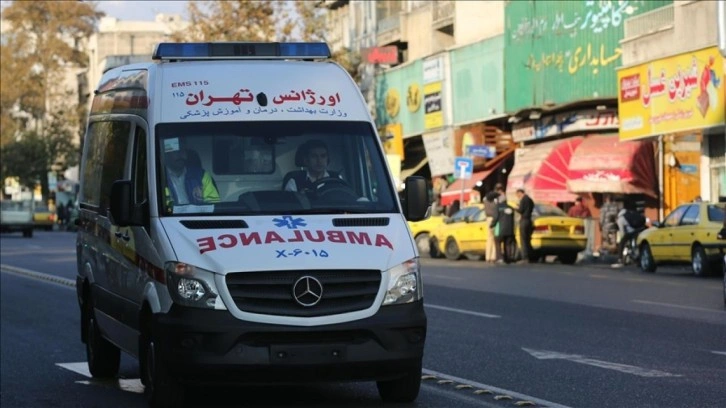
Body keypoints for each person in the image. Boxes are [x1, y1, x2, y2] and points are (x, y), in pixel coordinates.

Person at [612, 202, 647, 268]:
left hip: (633, 232)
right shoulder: (628, 213)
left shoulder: (620, 219)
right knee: (637, 245)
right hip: (641, 229)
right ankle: (639, 261)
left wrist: (624, 240)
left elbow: (622, 233)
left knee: (622, 243)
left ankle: (620, 259)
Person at [491, 198, 516, 264]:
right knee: (508, 244)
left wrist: (491, 225)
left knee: (498, 244)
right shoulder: (511, 208)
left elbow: (495, 217)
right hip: (510, 229)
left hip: (499, 229)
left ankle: (499, 258)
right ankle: (508, 258)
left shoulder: (497, 207)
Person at [515, 188, 534, 264]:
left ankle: (525, 258)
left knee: (523, 240)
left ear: (520, 193)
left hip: (524, 220)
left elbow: (521, 210)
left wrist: (516, 208)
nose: (518, 196)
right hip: (529, 220)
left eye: (517, 195)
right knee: (528, 239)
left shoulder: (523, 199)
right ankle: (531, 257)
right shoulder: (530, 199)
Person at [484, 192, 498, 264]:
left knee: (489, 238)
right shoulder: (494, 203)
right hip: (493, 219)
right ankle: (493, 256)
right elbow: (496, 212)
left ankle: (487, 256)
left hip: (487, 219)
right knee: (494, 239)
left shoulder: (485, 202)